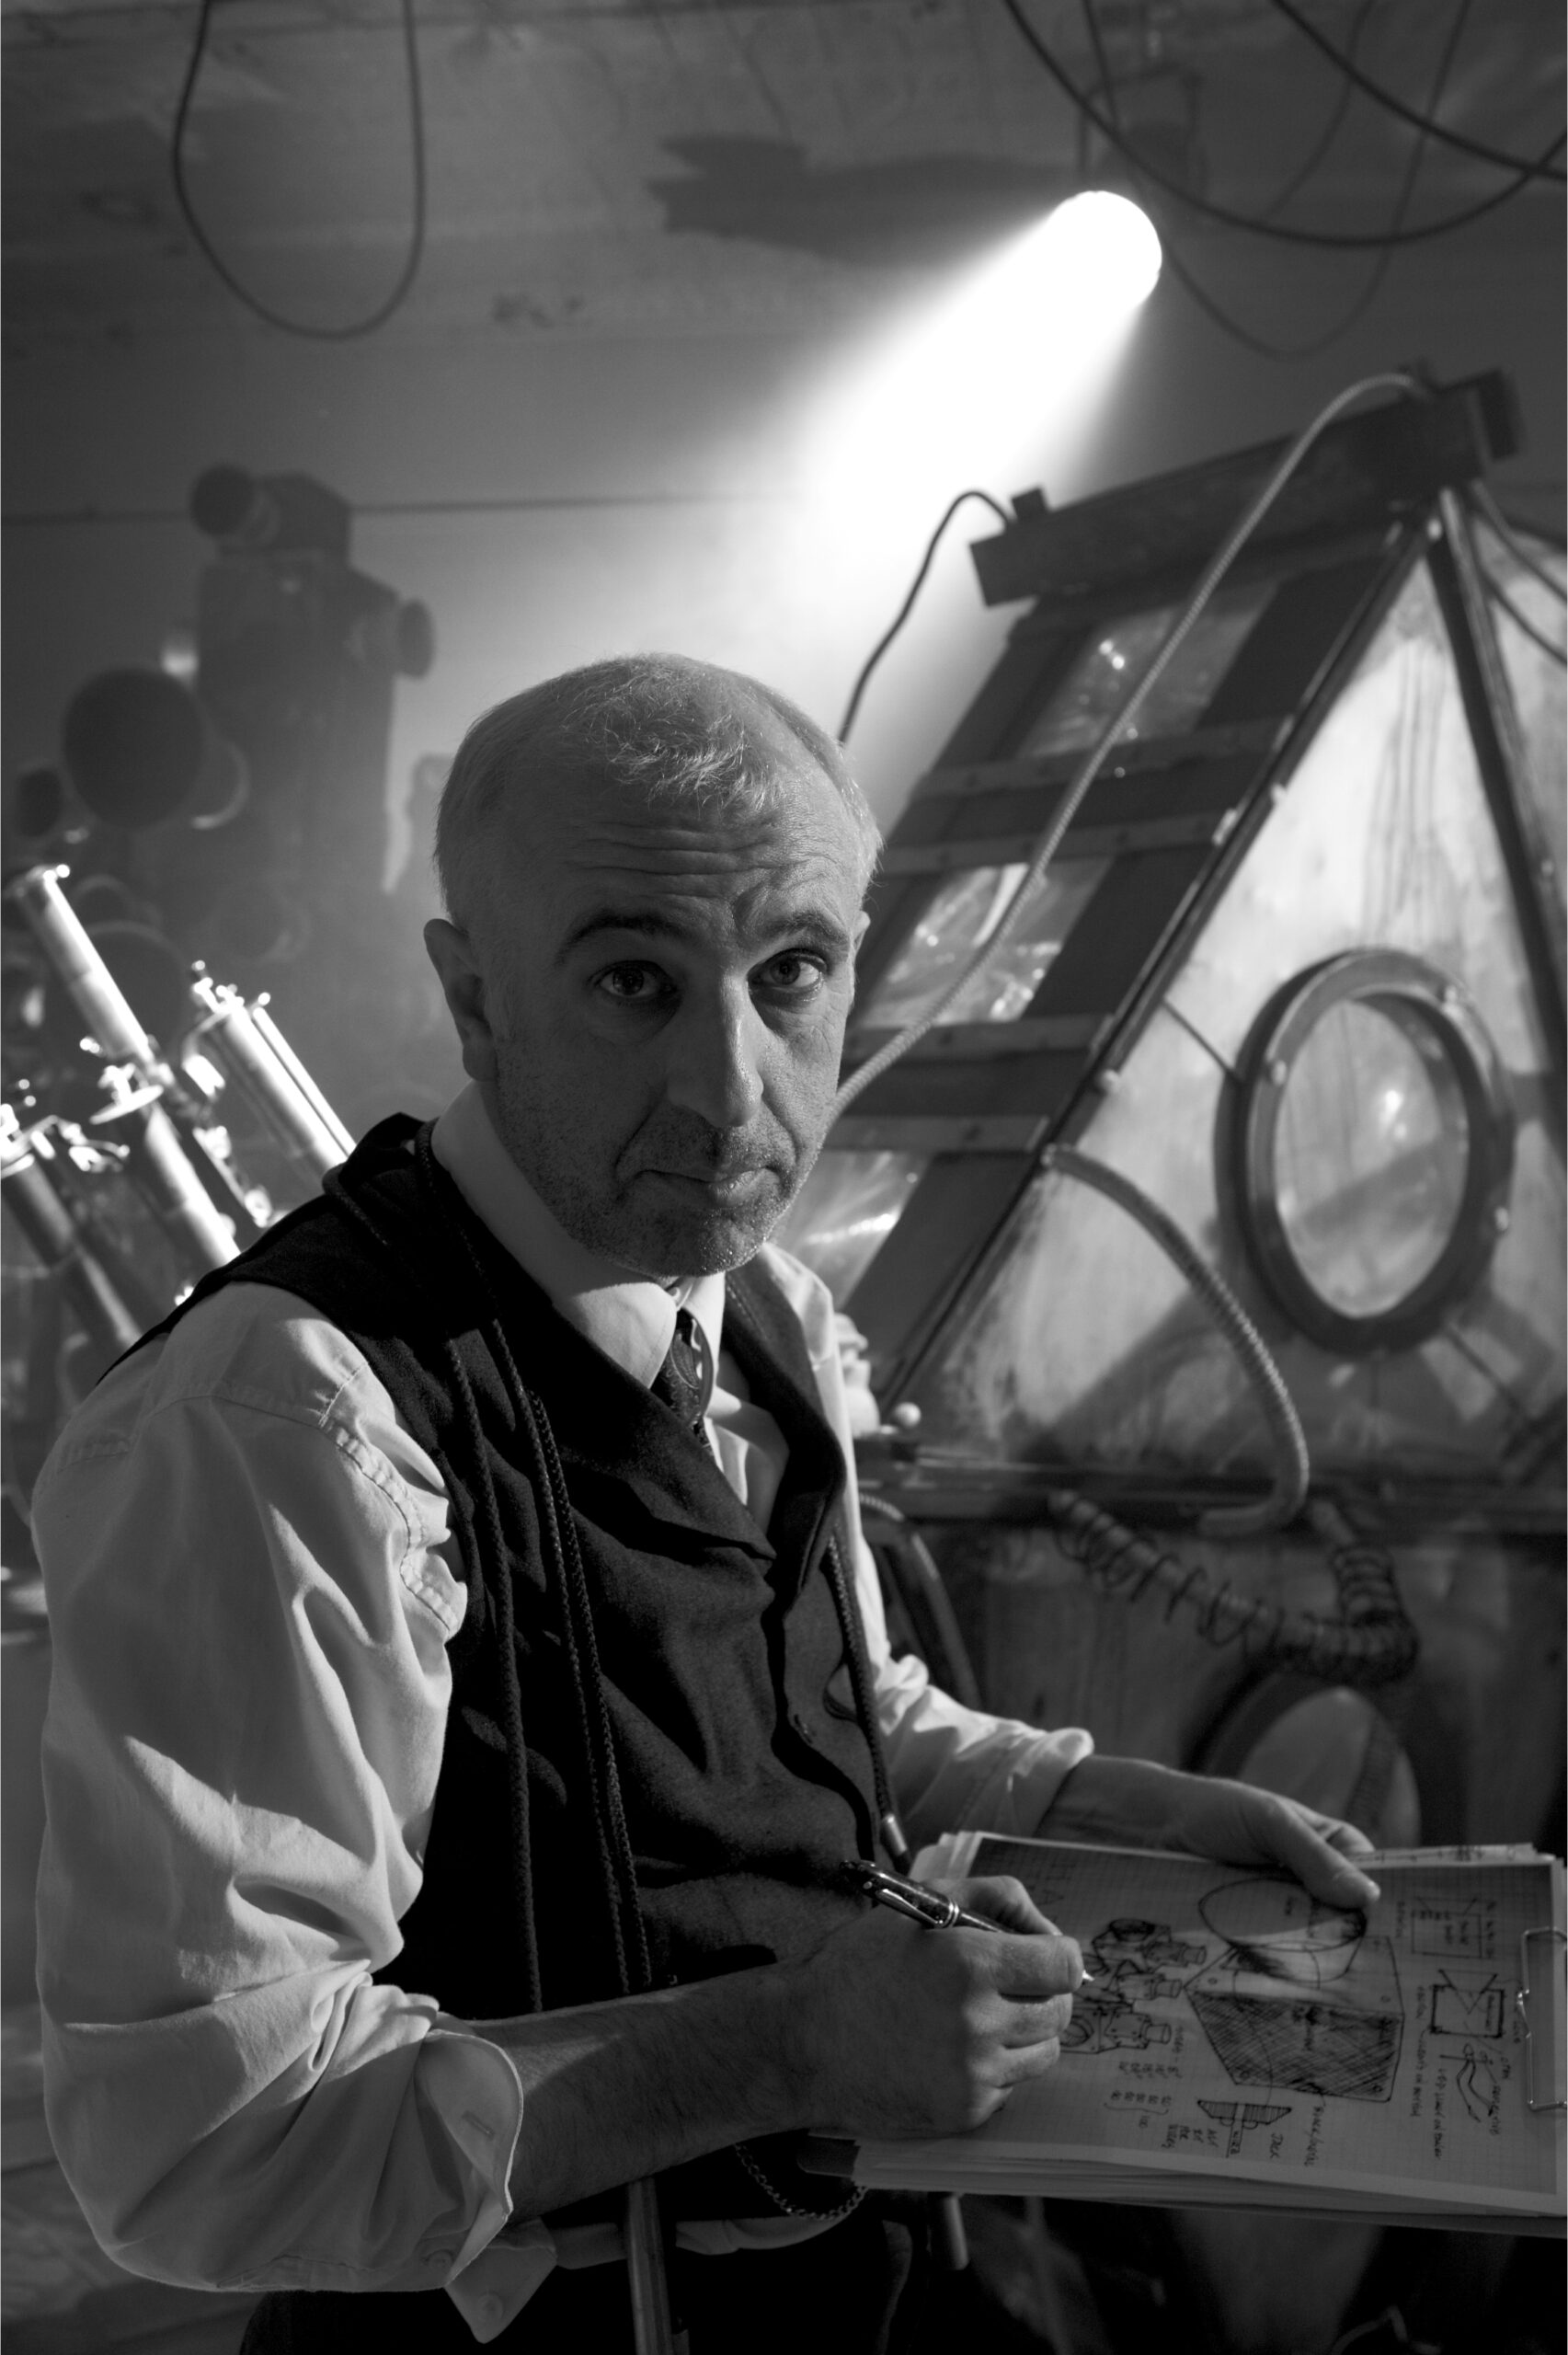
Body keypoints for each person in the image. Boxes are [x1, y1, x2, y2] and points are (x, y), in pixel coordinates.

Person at [32, 655, 1378, 2352]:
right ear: (474, 998)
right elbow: (210, 2145)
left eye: (790, 972)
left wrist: (1121, 1811)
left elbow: (818, 1715)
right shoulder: (288, 1420)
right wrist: (789, 2048)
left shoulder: (763, 1305)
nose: (733, 1091)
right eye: (632, 981)